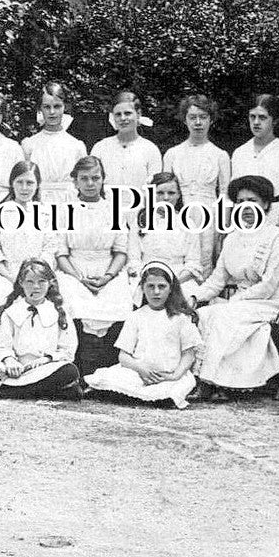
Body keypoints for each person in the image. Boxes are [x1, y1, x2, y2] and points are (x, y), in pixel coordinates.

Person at [191, 175, 279, 401]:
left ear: (265, 204)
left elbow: (268, 286)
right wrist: (195, 298)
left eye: (252, 200)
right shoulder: (232, 238)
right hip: (240, 304)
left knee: (223, 314)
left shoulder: (278, 239)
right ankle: (206, 380)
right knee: (204, 313)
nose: (245, 207)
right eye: (240, 201)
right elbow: (217, 280)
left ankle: (224, 383)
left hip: (270, 304)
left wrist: (234, 302)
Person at [85, 261, 200, 409]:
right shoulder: (136, 316)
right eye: (150, 286)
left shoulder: (180, 319)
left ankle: (153, 397)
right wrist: (141, 370)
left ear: (171, 289)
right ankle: (136, 395)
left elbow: (188, 354)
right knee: (113, 378)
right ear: (142, 288)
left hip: (169, 374)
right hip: (139, 372)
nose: (156, 292)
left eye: (162, 286)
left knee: (177, 387)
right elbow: (123, 356)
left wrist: (175, 375)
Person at [56, 155, 132, 376]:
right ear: (75, 182)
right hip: (73, 270)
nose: (90, 184)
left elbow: (120, 251)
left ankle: (107, 369)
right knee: (72, 299)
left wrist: (107, 277)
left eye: (95, 178)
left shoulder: (114, 209)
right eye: (84, 178)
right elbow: (61, 253)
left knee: (119, 299)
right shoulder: (64, 210)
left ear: (103, 180)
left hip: (108, 270)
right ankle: (83, 369)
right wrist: (79, 278)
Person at [0, 259, 82, 400]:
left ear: (50, 282)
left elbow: (68, 349)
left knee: (69, 371)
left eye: (41, 282)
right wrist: (10, 361)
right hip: (15, 369)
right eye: (30, 282)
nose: (36, 287)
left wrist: (47, 359)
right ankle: (39, 391)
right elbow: (0, 346)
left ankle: (15, 392)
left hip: (45, 369)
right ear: (21, 283)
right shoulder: (10, 312)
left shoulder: (59, 312)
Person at [162, 94, 230, 272]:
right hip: (178, 214)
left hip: (209, 215)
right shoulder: (172, 154)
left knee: (206, 262)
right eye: (193, 117)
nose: (198, 122)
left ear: (211, 120)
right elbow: (164, 190)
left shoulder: (220, 155)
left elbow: (224, 192)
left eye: (203, 117)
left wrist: (223, 226)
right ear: (185, 120)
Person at [0, 161, 58, 304]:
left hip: (39, 275)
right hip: (6, 275)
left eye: (30, 183)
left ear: (37, 185)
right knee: (3, 299)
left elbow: (49, 249)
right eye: (19, 182)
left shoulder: (45, 213)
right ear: (12, 183)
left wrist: (35, 275)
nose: (24, 188)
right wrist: (12, 277)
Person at [128, 172, 205, 301]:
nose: (166, 198)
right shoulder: (140, 221)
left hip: (179, 279)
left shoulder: (188, 223)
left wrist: (172, 283)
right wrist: (150, 281)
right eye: (160, 193)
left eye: (171, 193)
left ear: (179, 195)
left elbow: (193, 262)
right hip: (147, 277)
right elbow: (134, 259)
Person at [231, 93, 279, 216]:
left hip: (276, 218)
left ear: (274, 120)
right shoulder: (239, 153)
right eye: (252, 117)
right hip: (244, 219)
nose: (256, 122)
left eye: (262, 117)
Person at [21, 81, 87, 206]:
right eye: (47, 107)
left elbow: (83, 182)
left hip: (69, 203)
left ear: (64, 107)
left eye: (57, 106)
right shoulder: (30, 145)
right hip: (40, 203)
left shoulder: (76, 146)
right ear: (40, 109)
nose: (52, 112)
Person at [89, 90, 162, 202]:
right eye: (118, 114)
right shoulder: (100, 147)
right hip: (106, 211)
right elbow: (91, 182)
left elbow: (155, 189)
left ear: (138, 114)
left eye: (127, 113)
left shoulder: (150, 149)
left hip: (139, 211)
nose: (123, 118)